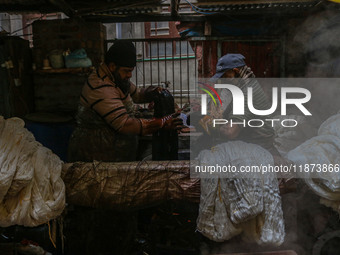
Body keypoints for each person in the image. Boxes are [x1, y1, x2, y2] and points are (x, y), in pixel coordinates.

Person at [68, 40, 183, 162]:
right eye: (127, 71)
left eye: (131, 71)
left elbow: (137, 94)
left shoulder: (116, 78)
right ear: (112, 66)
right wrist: (161, 122)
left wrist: (153, 92)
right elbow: (124, 124)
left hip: (115, 151)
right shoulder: (100, 86)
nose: (130, 75)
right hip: (97, 155)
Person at [198, 53, 280, 157]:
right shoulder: (245, 85)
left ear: (236, 71)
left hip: (259, 149)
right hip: (251, 144)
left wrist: (209, 124)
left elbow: (230, 132)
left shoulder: (247, 92)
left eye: (225, 76)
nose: (222, 80)